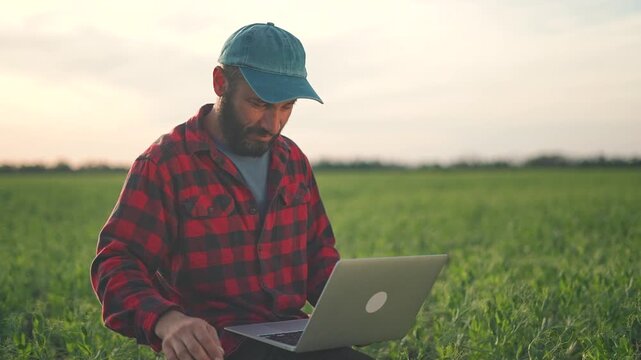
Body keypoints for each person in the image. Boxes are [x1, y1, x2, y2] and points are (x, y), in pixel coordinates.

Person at [90, 22, 373, 360]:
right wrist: (168, 320)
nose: (273, 124)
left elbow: (318, 254)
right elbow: (116, 262)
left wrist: (353, 310)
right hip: (214, 349)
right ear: (220, 82)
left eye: (287, 107)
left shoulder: (293, 160)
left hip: (296, 339)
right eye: (259, 104)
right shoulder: (165, 163)